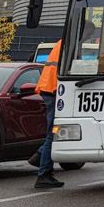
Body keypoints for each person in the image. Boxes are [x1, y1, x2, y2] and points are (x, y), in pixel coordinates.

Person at [34, 39, 64, 189]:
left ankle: (39, 156)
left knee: (52, 131)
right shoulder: (69, 43)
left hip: (48, 88)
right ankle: (43, 173)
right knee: (53, 133)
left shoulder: (61, 43)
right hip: (53, 90)